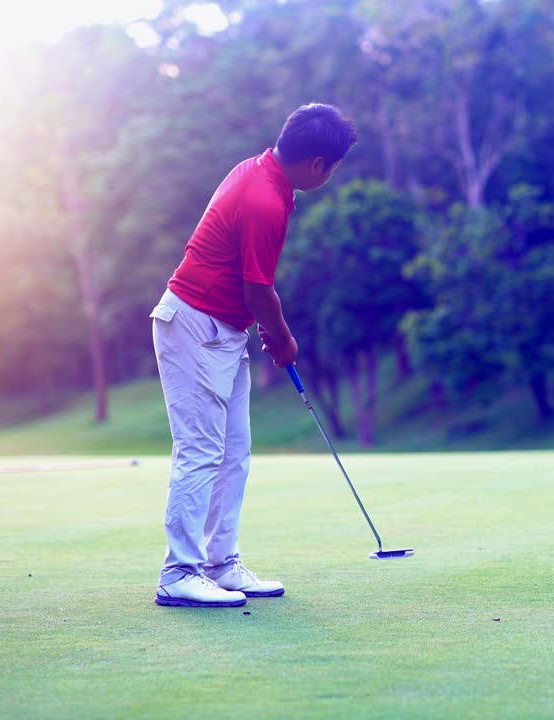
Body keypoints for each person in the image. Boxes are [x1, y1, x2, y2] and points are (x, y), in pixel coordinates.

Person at [149, 104, 358, 607]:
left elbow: (250, 289)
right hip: (194, 326)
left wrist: (263, 328)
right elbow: (258, 288)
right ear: (316, 165)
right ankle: (180, 572)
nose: (329, 176)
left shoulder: (261, 171)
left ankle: (221, 564)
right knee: (200, 451)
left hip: (223, 331)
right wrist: (282, 337)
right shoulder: (265, 197)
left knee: (234, 453)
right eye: (331, 167)